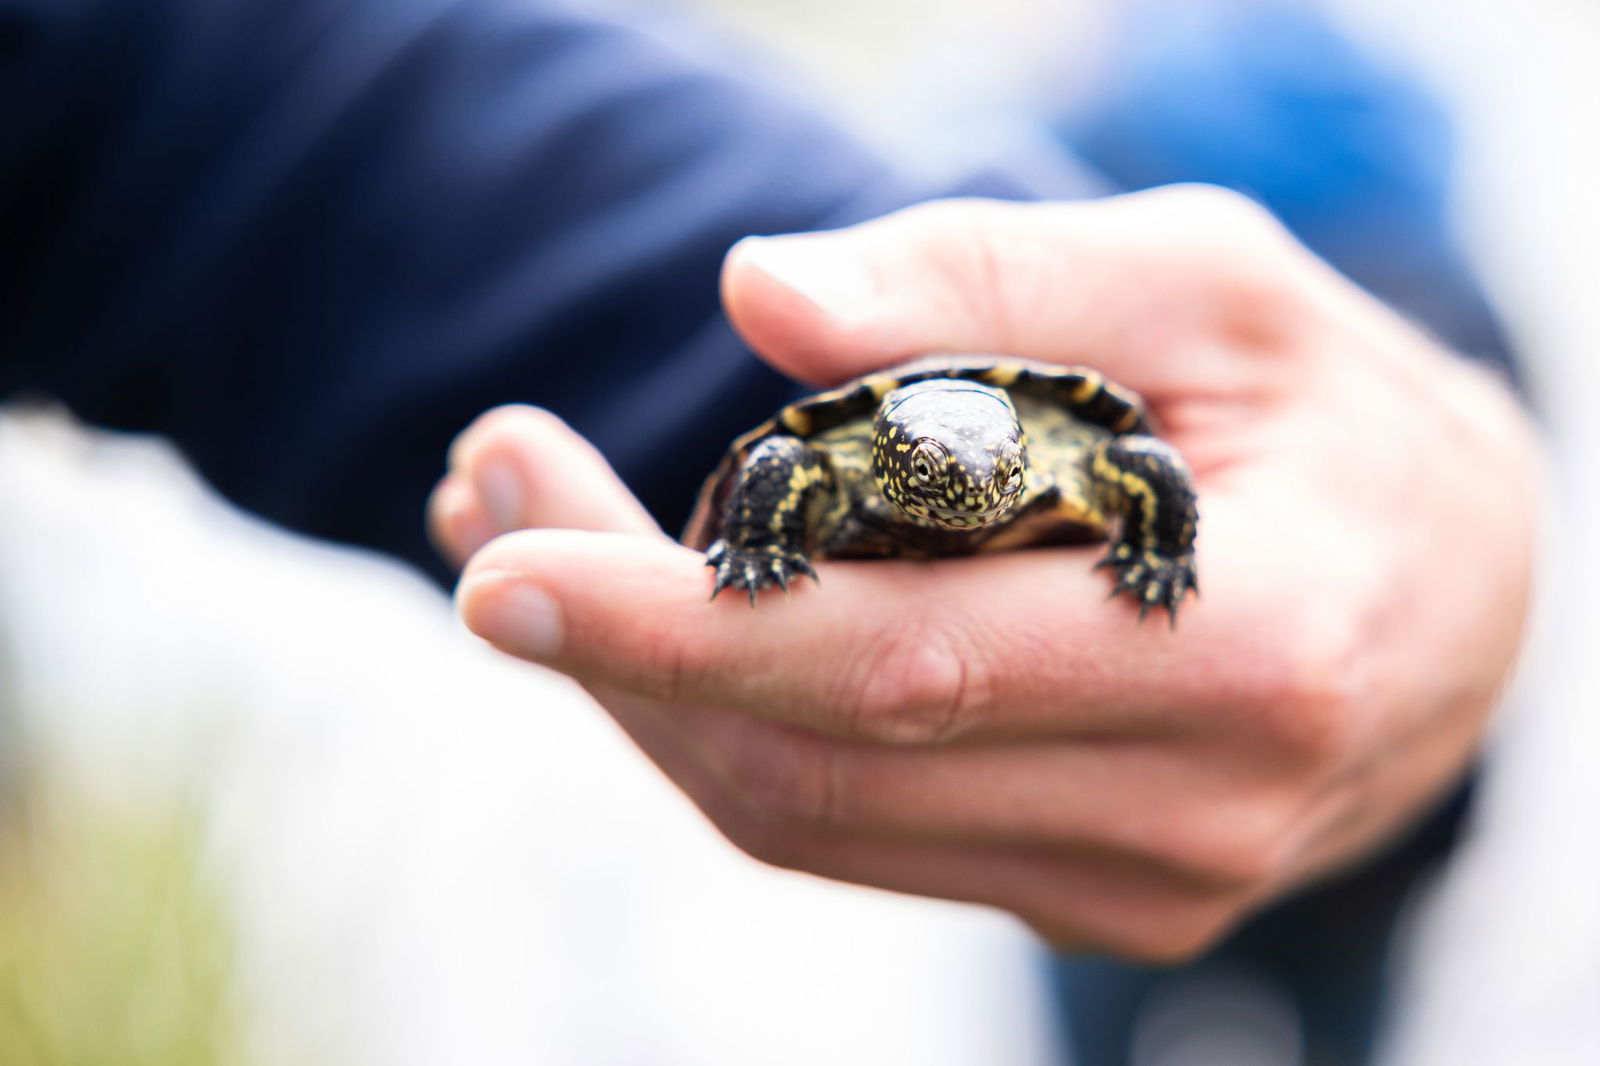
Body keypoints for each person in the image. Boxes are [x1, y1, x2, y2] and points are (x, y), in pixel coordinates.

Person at [2, 0, 1538, 1061]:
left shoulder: (1070, 436)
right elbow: (779, 460)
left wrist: (1440, 487)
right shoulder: (844, 449)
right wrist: (756, 540)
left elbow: (246, 94)